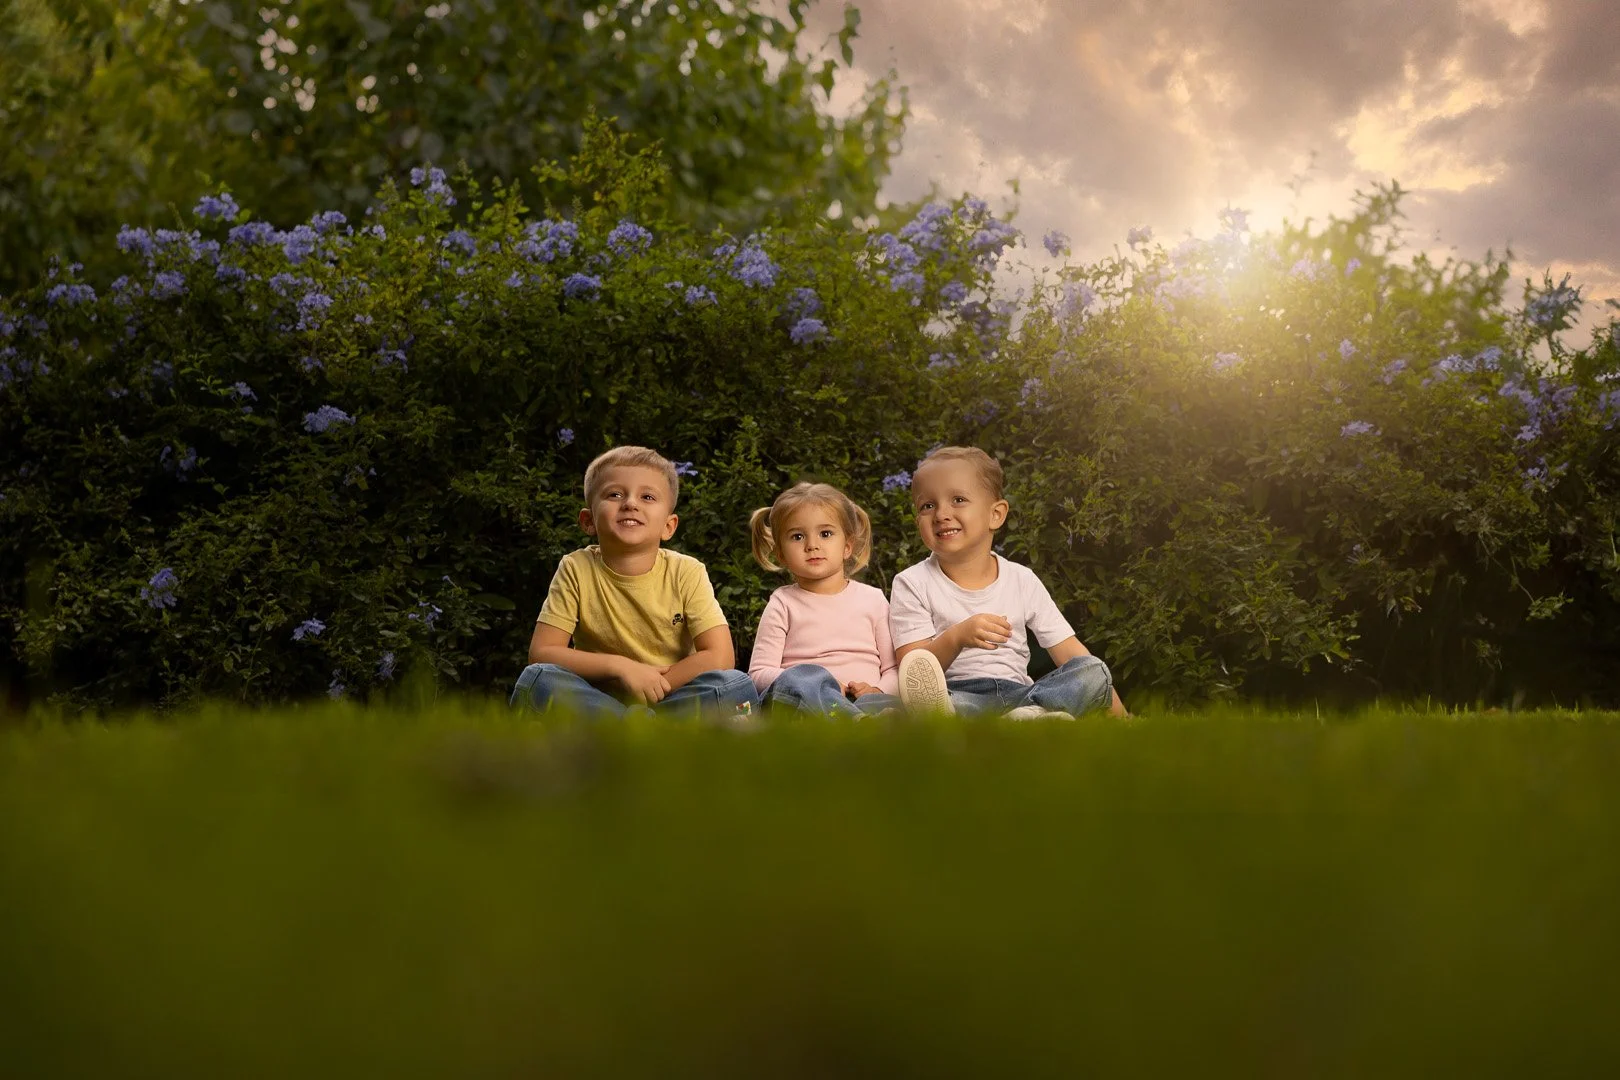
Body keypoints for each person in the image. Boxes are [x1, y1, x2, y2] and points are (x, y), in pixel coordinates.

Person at [510, 445, 758, 718]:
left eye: (648, 497)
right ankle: (643, 729)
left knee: (737, 687)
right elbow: (542, 652)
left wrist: (652, 687)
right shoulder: (576, 568)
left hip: (672, 695)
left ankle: (636, 726)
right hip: (596, 698)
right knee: (537, 679)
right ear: (588, 520)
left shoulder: (686, 571)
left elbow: (720, 655)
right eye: (615, 494)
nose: (630, 503)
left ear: (669, 526)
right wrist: (622, 667)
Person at [890, 446, 1127, 720]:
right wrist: (957, 637)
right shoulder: (912, 582)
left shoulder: (1021, 579)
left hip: (1021, 694)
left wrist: (1122, 718)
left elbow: (1069, 651)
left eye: (958, 499)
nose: (941, 513)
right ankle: (952, 717)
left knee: (1092, 670)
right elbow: (914, 667)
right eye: (927, 505)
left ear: (996, 515)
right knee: (936, 702)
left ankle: (1032, 714)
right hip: (956, 695)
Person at [747, 482, 900, 718]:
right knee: (803, 693)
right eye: (797, 536)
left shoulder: (873, 600)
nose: (812, 545)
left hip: (865, 700)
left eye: (825, 534)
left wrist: (877, 689)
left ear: (847, 546)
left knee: (892, 705)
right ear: (781, 554)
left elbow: (893, 668)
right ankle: (858, 724)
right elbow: (758, 674)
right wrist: (815, 682)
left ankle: (864, 721)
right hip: (806, 705)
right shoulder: (783, 603)